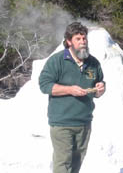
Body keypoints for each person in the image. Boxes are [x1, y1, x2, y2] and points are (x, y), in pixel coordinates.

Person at [39, 22, 106, 173]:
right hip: (62, 123)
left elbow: (99, 84)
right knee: (63, 164)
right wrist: (69, 90)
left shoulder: (93, 63)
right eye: (78, 39)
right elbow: (44, 85)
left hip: (84, 122)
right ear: (69, 41)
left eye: (84, 38)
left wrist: (100, 89)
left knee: (76, 164)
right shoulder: (57, 61)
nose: (83, 42)